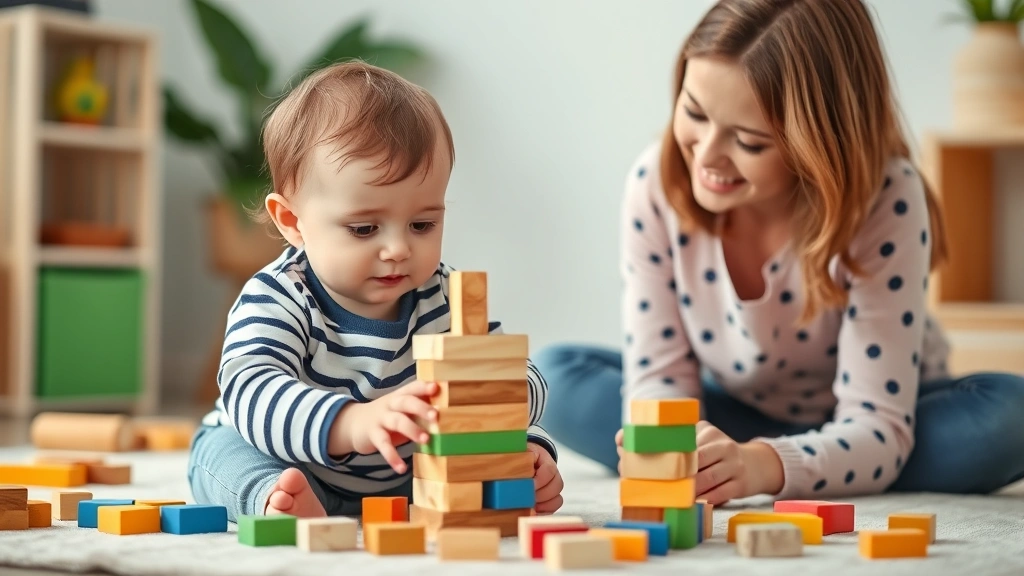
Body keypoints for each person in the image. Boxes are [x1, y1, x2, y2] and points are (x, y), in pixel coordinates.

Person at [536, 0, 1024, 505]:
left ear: (820, 143)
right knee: (552, 376)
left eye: (749, 142)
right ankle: (829, 468)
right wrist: (670, 450)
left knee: (1010, 417)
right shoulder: (654, 185)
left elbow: (877, 416)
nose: (706, 157)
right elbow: (660, 377)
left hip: (882, 414)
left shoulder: (887, 197)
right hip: (727, 409)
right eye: (694, 113)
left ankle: (845, 464)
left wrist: (762, 466)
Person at [188, 61, 563, 520]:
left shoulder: (443, 295)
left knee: (499, 438)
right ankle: (272, 500)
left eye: (423, 224)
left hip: (404, 479)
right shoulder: (279, 296)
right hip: (292, 460)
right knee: (224, 452)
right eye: (365, 228)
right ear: (292, 222)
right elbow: (252, 390)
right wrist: (350, 422)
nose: (399, 249)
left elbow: (521, 374)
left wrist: (514, 433)